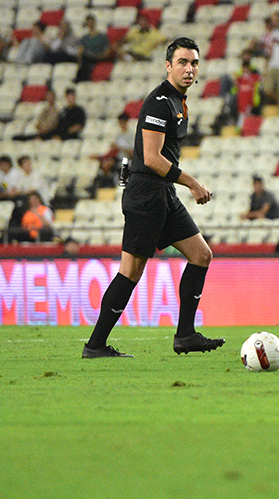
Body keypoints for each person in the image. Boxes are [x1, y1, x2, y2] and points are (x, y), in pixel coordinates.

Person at [82, 37, 223, 359]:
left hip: (162, 192)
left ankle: (185, 335)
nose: (189, 69)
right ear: (168, 66)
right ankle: (96, 345)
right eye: (183, 62)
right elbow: (152, 158)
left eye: (194, 63)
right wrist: (192, 183)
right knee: (131, 269)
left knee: (201, 254)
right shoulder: (160, 102)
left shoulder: (178, 102)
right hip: (146, 193)